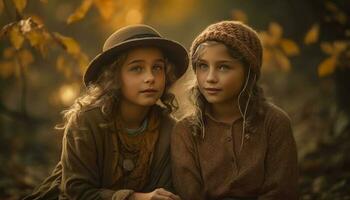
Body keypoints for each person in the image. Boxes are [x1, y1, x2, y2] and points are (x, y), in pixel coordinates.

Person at [24, 24, 188, 200]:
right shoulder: (86, 122)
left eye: (157, 67)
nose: (150, 77)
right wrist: (137, 198)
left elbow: (164, 190)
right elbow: (75, 192)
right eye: (137, 68)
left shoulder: (168, 129)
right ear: (114, 76)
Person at [171, 21, 298, 200]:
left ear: (248, 73)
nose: (210, 78)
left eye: (223, 67)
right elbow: (190, 195)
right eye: (203, 66)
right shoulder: (185, 131)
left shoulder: (274, 122)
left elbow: (282, 192)